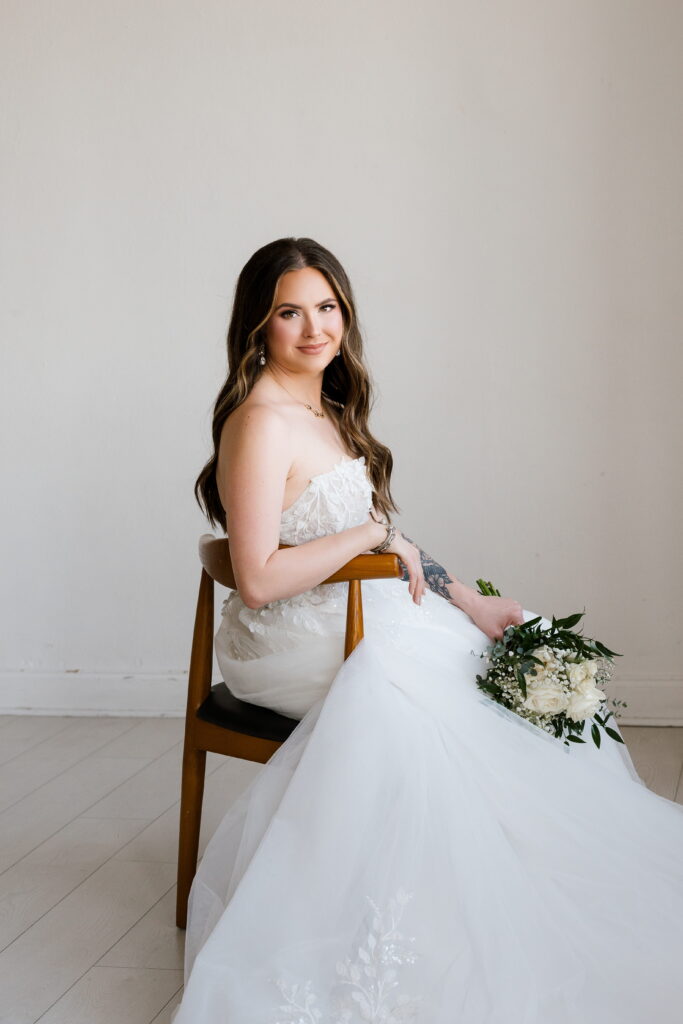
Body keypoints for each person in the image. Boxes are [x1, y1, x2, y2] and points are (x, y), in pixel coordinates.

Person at [173, 237, 683, 1023]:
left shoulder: (327, 410)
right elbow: (260, 578)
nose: (314, 329)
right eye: (288, 312)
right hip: (281, 640)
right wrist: (369, 539)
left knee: (490, 653)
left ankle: (529, 873)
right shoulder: (259, 422)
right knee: (420, 699)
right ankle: (451, 910)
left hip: (346, 610)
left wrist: (469, 601)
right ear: (257, 326)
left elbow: (386, 541)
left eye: (327, 308)